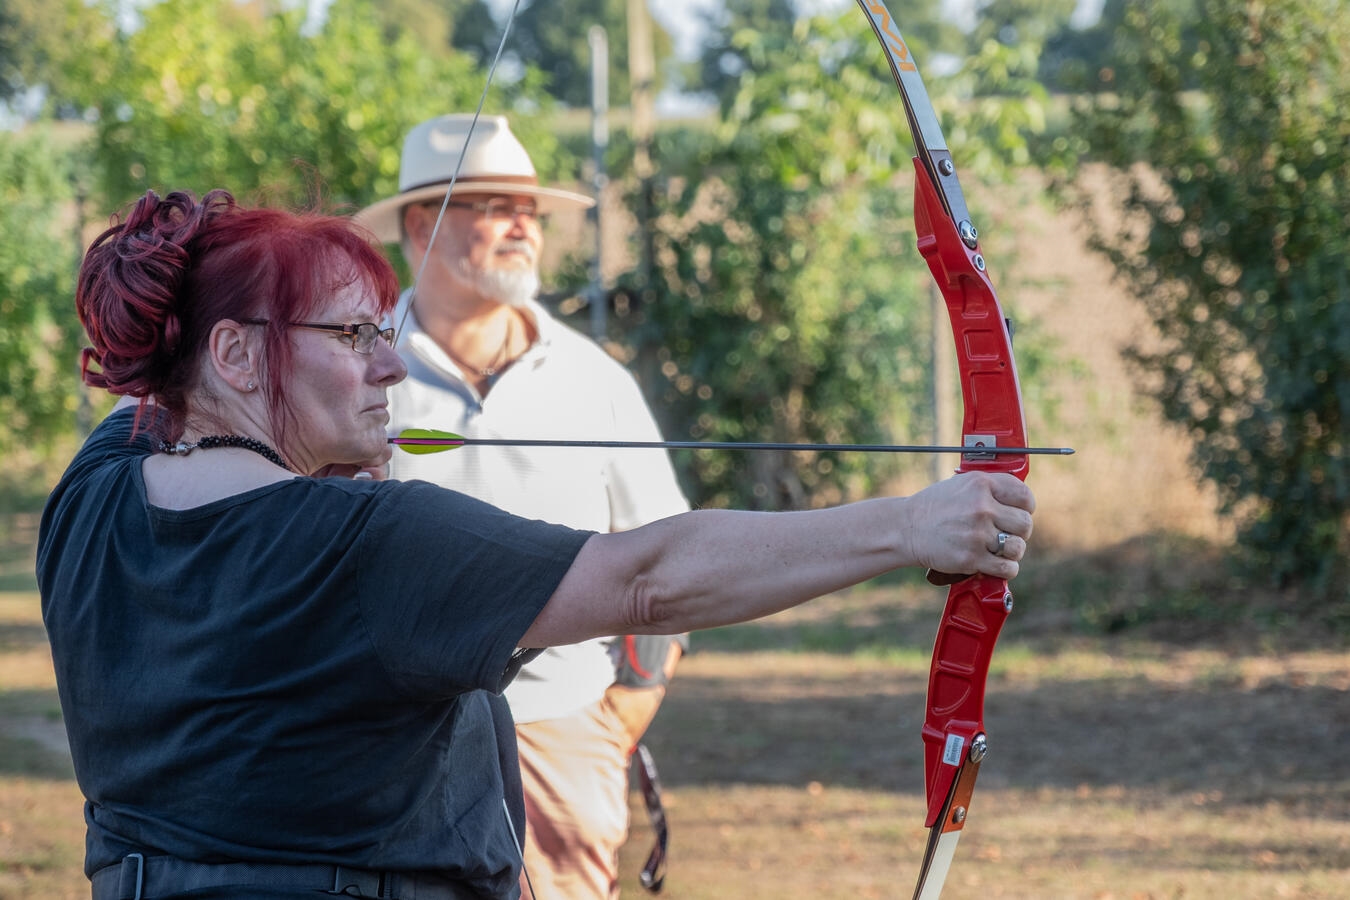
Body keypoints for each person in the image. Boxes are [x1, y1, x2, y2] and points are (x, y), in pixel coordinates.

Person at [38, 187, 1035, 900]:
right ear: (236, 351)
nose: (390, 361)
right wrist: (912, 524)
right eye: (351, 337)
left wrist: (304, 436)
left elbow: (169, 413)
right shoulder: (371, 545)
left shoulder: (92, 492)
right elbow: (647, 580)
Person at [356, 113, 688, 900]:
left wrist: (621, 715)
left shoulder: (592, 377)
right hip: (380, 737)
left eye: (530, 210)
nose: (522, 226)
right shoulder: (356, 363)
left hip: (561, 730)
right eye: (495, 206)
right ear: (421, 222)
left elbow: (664, 548)